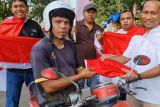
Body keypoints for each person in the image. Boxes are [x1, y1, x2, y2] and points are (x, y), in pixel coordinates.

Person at [30, 1, 96, 107]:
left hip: (73, 94)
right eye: (58, 22)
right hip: (51, 100)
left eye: (66, 22)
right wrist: (80, 76)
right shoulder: (40, 49)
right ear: (49, 23)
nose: (63, 26)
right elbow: (48, 87)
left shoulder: (71, 45)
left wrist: (96, 70)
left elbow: (79, 69)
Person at [101, 0, 160, 107]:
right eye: (145, 12)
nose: (148, 16)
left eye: (153, 13)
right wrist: (110, 56)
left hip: (155, 99)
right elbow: (125, 58)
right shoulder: (136, 38)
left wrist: (138, 76)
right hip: (133, 94)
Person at [0, 0, 44, 107]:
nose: (19, 9)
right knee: (11, 102)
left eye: (22, 6)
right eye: (15, 6)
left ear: (27, 8)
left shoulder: (34, 24)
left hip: (32, 70)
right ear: (11, 9)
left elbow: (43, 44)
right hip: (13, 71)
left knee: (40, 100)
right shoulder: (5, 25)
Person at [76, 3, 104, 88]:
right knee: (77, 90)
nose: (91, 14)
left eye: (93, 12)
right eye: (88, 12)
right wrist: (71, 31)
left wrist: (100, 40)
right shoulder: (75, 25)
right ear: (83, 13)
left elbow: (103, 48)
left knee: (95, 89)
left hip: (94, 65)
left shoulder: (100, 29)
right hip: (78, 65)